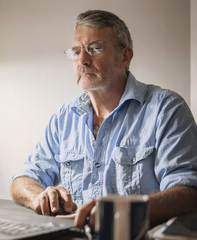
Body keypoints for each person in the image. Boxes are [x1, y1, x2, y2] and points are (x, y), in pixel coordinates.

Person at [11, 9, 197, 230]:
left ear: (125, 56)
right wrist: (39, 196)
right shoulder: (63, 118)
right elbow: (22, 179)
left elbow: (188, 191)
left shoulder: (166, 109)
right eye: (76, 51)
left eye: (95, 48)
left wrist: (125, 211)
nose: (83, 60)